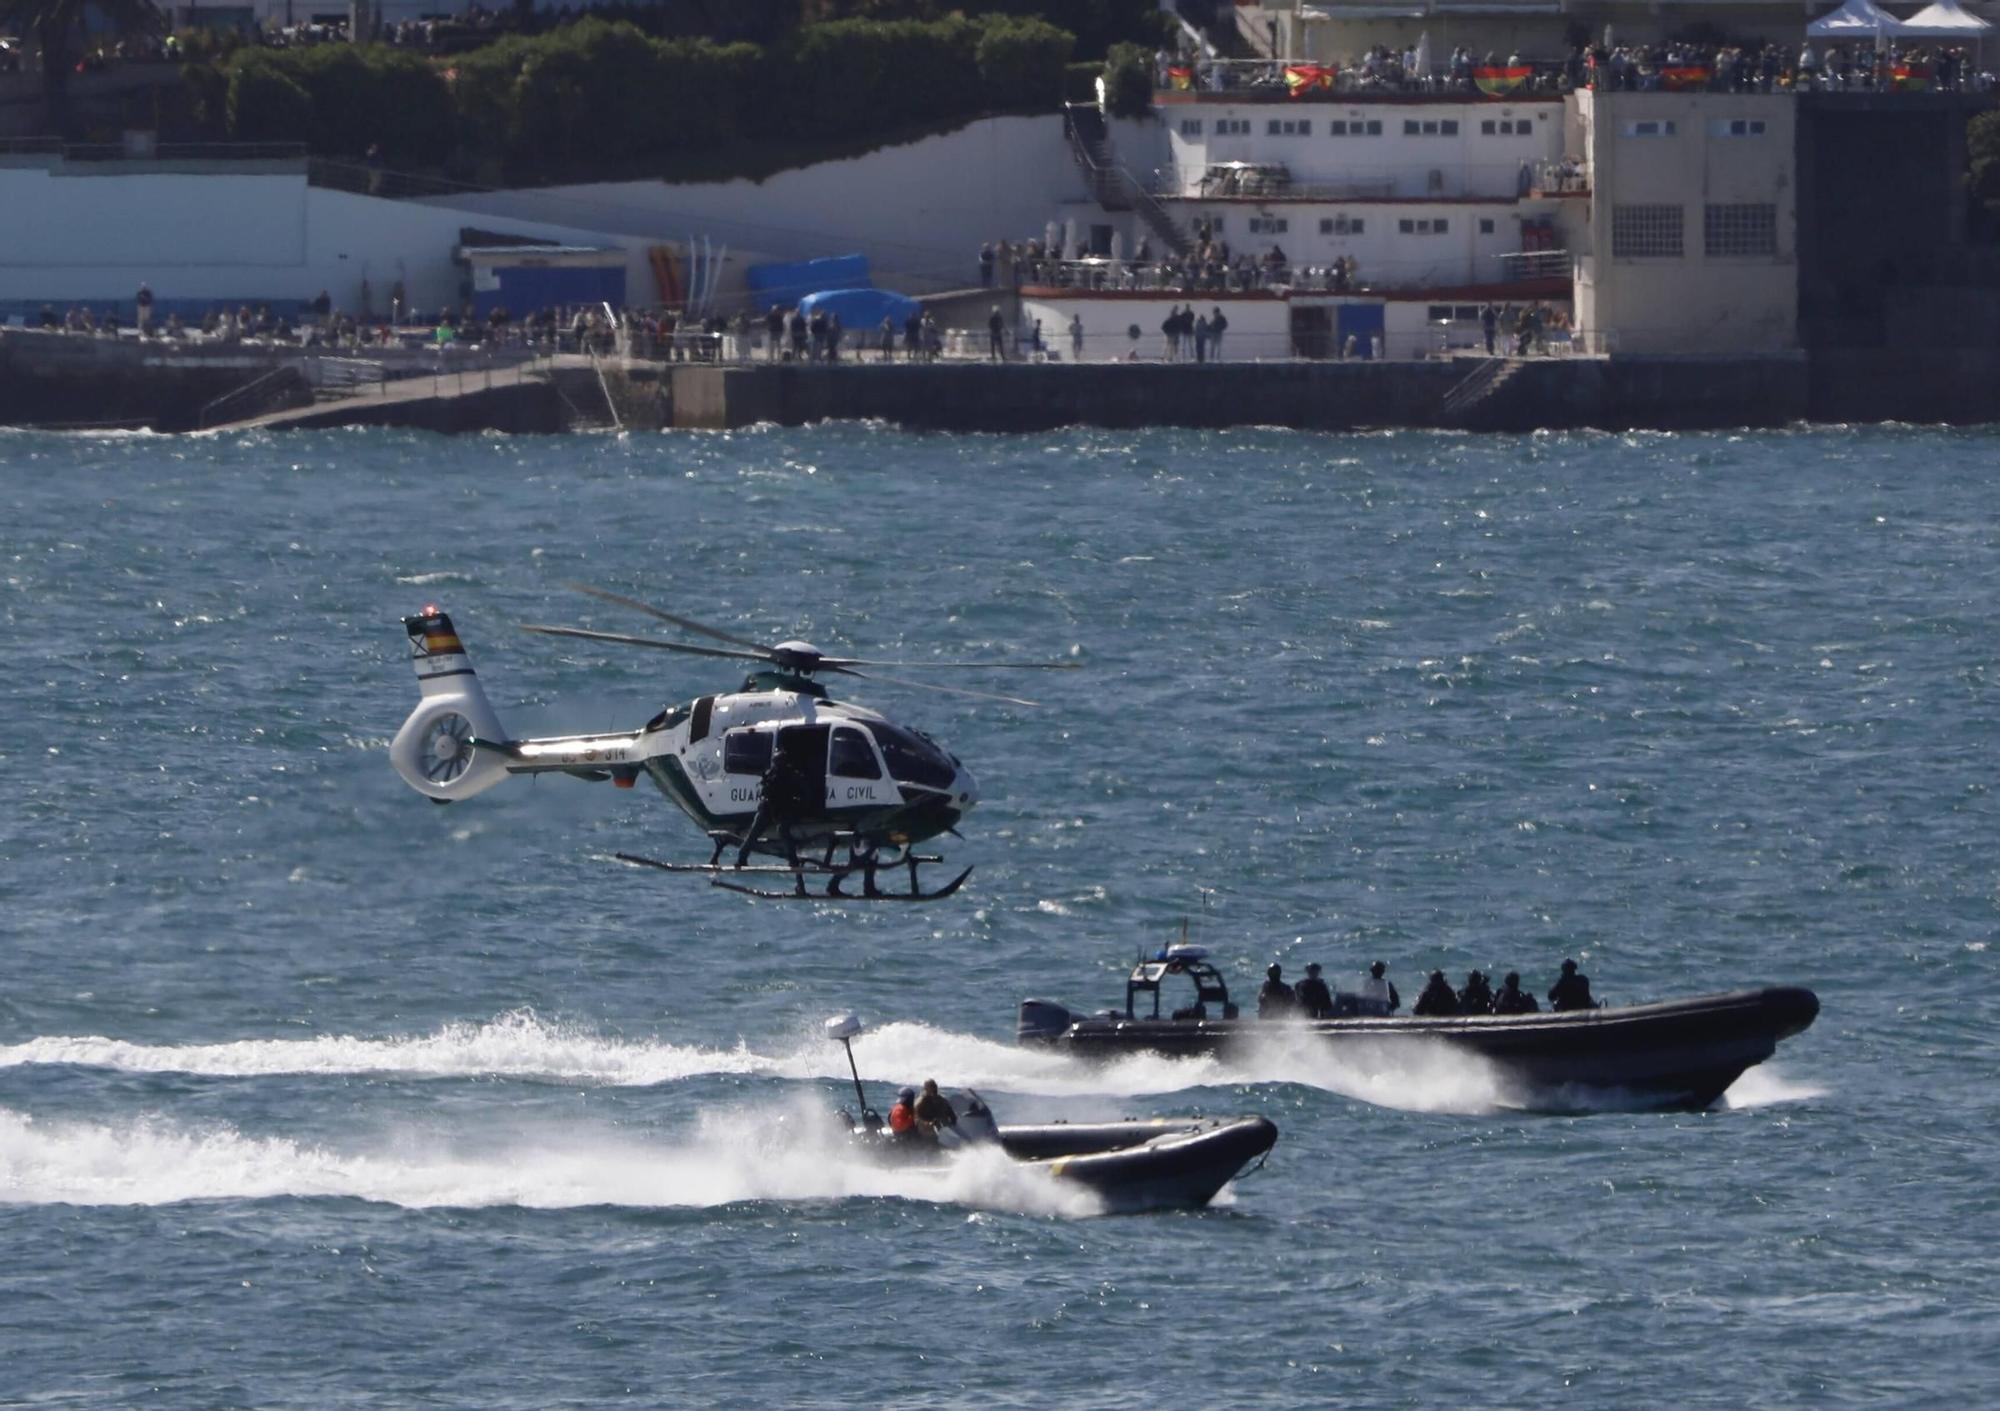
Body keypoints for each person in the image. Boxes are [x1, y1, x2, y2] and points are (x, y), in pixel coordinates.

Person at [736, 738, 816, 868]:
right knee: (754, 833)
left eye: (779, 763)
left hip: (783, 809)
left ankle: (793, 860)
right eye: (776, 763)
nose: (777, 766)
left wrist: (800, 805)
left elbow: (805, 792)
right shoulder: (771, 776)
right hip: (768, 809)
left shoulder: (791, 776)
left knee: (782, 831)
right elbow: (763, 791)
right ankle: (742, 858)